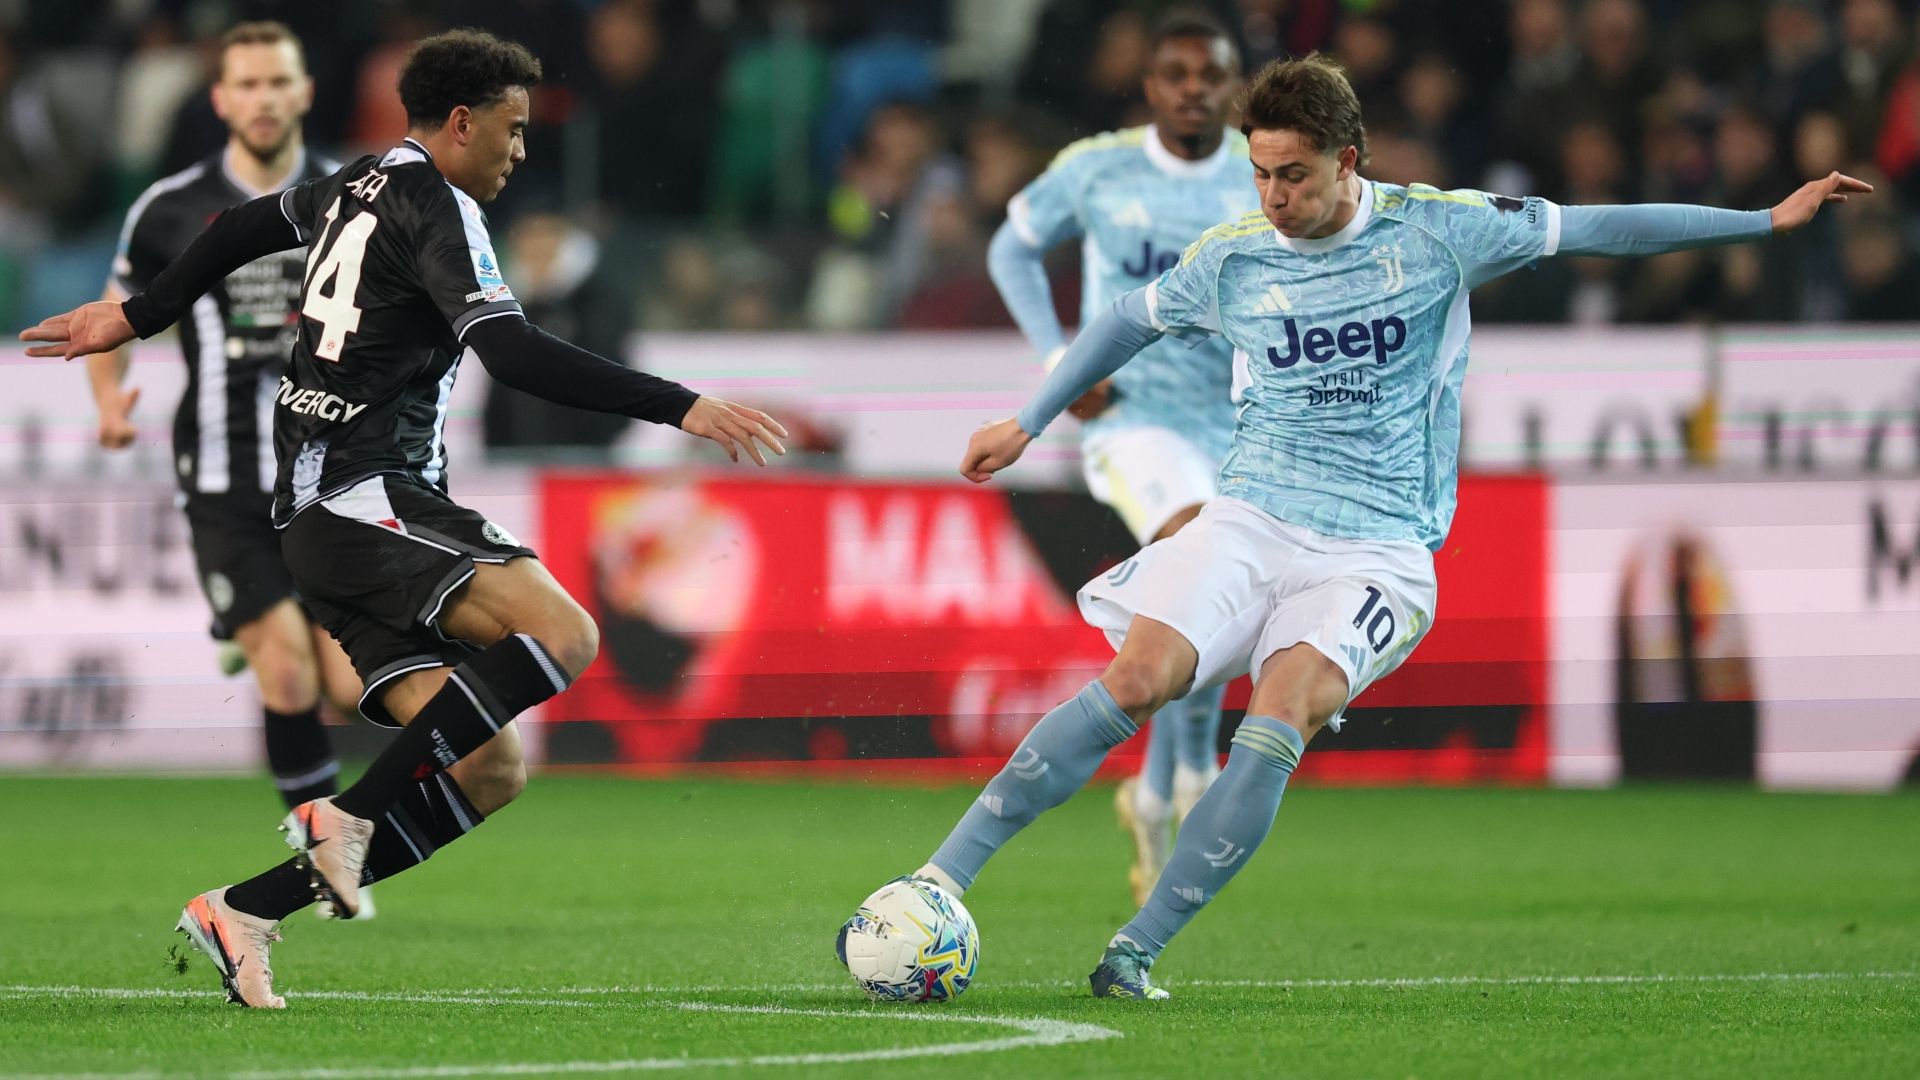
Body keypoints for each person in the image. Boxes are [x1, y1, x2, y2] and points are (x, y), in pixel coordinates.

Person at [868, 54, 1868, 1001]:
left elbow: (1602, 227)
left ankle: (1136, 949)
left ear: (1348, 160)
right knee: (1136, 679)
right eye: (1260, 174)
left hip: (1377, 549)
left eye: (1293, 176)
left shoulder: (1440, 231)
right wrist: (1028, 420)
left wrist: (1763, 220)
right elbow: (1127, 319)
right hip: (1251, 516)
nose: (1273, 197)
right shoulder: (1234, 258)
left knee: (1282, 712)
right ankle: (938, 880)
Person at [22, 28, 786, 1009]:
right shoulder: (441, 204)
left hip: (318, 516)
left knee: (492, 768)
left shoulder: (355, 181)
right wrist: (680, 405)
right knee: (565, 633)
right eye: (512, 130)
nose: (521, 151)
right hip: (362, 495)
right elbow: (512, 352)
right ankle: (344, 819)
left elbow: (239, 227)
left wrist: (140, 313)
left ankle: (246, 911)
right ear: (461, 123)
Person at [985, 11, 1252, 906]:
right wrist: (1059, 360)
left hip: (1241, 421)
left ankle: (1155, 789)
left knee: (1219, 591)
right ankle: (1188, 779)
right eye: (1177, 74)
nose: (1193, 90)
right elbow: (1011, 247)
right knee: (1197, 547)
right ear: (1150, 87)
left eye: (1209, 76)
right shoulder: (1098, 167)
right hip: (1133, 420)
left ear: (1232, 86)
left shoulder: (1260, 175)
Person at [91, 21, 366, 835]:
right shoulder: (170, 207)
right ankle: (332, 862)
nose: (263, 98)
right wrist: (109, 400)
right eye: (247, 84)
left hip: (333, 474)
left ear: (305, 92)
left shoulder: (359, 195)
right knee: (288, 676)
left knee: (352, 689)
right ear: (220, 99)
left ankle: (260, 625)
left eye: (278, 82)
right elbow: (114, 314)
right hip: (223, 477)